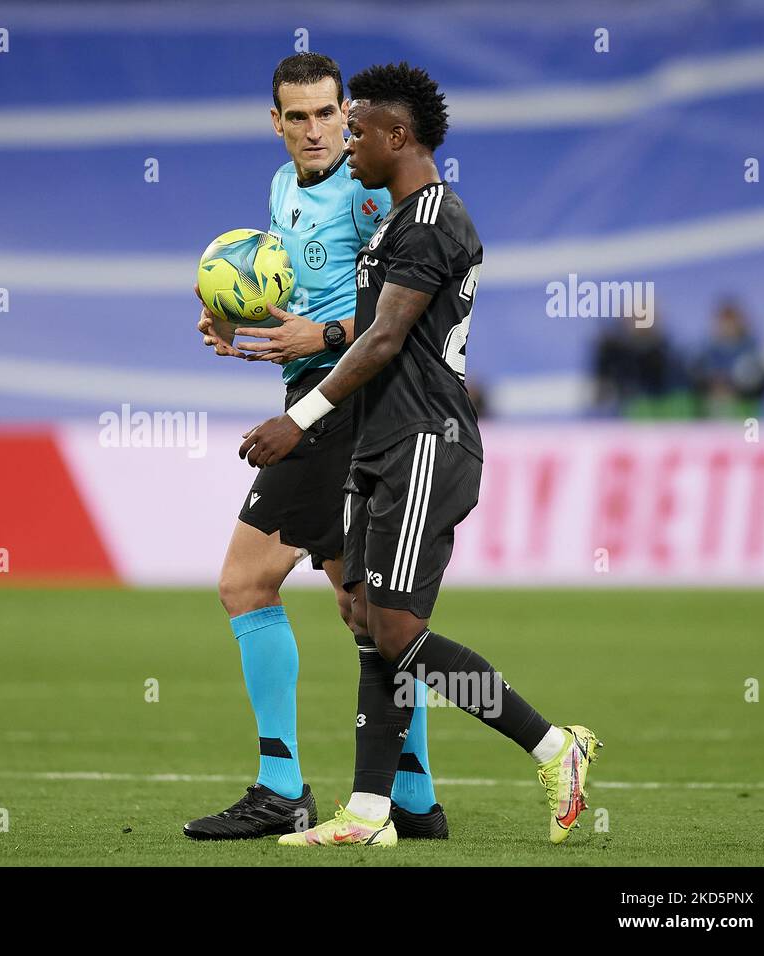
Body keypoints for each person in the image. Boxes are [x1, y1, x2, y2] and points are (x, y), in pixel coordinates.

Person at [239, 62, 601, 848]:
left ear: (396, 136)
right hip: (381, 443)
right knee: (370, 621)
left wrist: (299, 419)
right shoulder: (397, 221)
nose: (347, 142)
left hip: (426, 443)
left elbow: (384, 338)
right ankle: (371, 814)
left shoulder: (435, 218)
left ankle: (553, 745)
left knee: (400, 630)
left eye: (358, 128)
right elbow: (348, 324)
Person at [183, 53, 447, 841]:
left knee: (244, 582)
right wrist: (241, 320)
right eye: (296, 116)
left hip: (340, 405)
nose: (314, 130)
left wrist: (324, 336)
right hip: (314, 398)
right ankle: (415, 797)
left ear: (347, 111)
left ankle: (280, 787)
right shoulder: (279, 188)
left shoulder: (371, 191)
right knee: (366, 611)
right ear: (276, 122)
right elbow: (294, 293)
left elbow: (398, 307)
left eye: (327, 113)